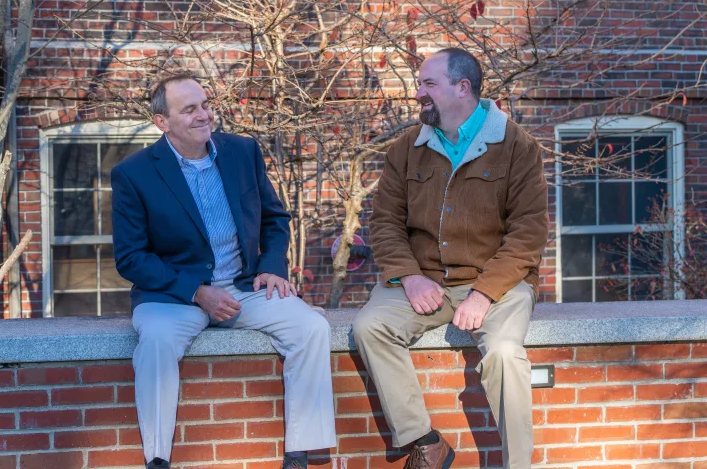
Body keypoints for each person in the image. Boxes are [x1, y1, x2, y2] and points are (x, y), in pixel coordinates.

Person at [111, 72, 336, 469]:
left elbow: (274, 218)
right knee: (157, 343)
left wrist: (272, 266)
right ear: (162, 122)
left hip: (244, 287)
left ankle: (301, 454)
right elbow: (131, 257)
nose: (204, 115)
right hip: (173, 295)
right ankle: (157, 458)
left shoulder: (241, 152)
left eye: (205, 105)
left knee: (311, 327)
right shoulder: (134, 174)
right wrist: (197, 292)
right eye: (190, 109)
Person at [352, 48, 549, 469]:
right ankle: (424, 442)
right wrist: (409, 277)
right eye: (420, 83)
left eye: (428, 84)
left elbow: (528, 234)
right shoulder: (407, 148)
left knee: (503, 354)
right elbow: (385, 222)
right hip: (425, 281)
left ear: (463, 88)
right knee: (370, 326)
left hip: (497, 282)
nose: (418, 93)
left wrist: (483, 294)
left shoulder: (517, 147)